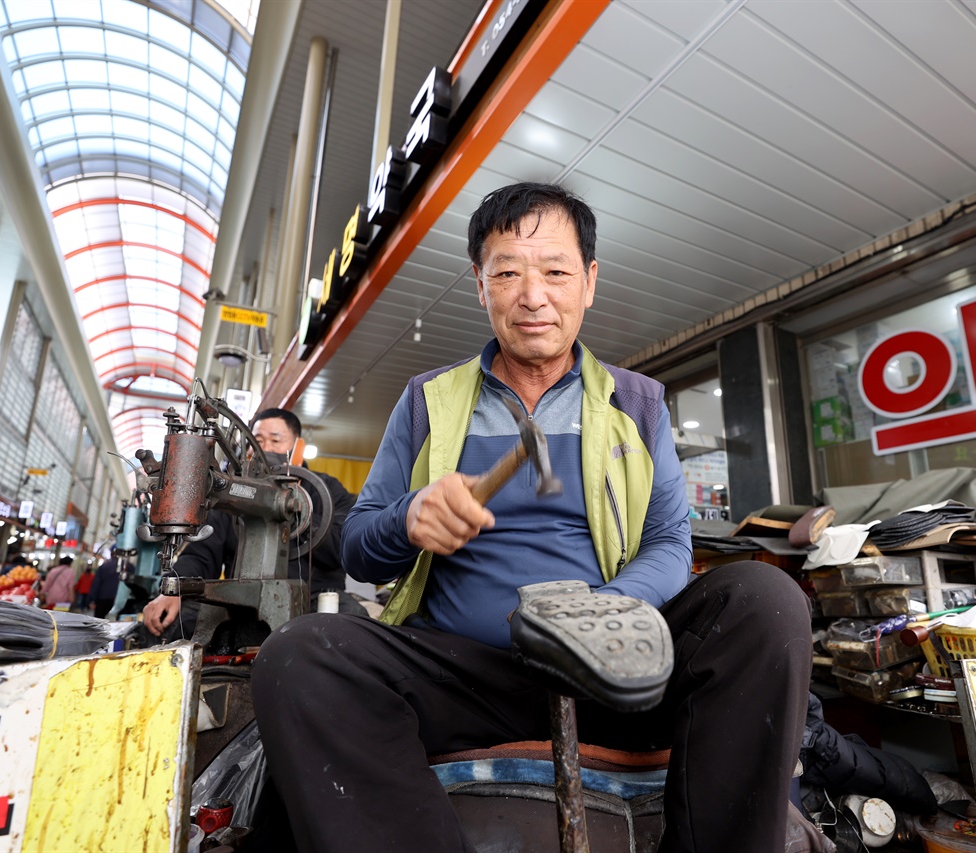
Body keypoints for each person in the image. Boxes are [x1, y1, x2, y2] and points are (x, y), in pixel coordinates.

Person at [251, 183, 812, 851]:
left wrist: (600, 618)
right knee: (299, 654)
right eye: (509, 272)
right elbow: (360, 546)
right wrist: (409, 518)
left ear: (590, 282)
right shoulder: (426, 401)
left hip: (613, 671)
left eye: (554, 271)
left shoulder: (639, 405)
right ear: (479, 284)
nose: (533, 294)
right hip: (471, 674)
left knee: (765, 600)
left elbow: (668, 543)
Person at [140, 407, 364, 638]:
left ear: (299, 448)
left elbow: (342, 546)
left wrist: (296, 515)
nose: (265, 449)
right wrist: (173, 591)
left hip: (315, 597)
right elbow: (202, 553)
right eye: (257, 441)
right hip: (242, 600)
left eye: (275, 440)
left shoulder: (325, 490)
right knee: (170, 624)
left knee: (353, 626)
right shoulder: (234, 494)